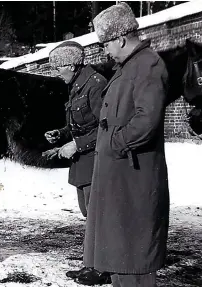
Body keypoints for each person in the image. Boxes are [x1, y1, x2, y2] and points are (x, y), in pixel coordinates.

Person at [80, 3, 170, 286]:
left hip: (133, 178)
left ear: (119, 38)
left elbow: (147, 119)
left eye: (105, 43)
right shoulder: (129, 66)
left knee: (133, 257)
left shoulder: (147, 65)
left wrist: (115, 144)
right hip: (120, 177)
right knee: (120, 255)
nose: (104, 50)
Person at [42, 41, 110, 285]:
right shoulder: (77, 85)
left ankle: (101, 268)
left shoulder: (96, 84)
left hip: (97, 160)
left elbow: (107, 127)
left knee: (98, 217)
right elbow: (82, 123)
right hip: (83, 162)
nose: (56, 73)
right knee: (88, 214)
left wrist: (77, 145)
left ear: (71, 65)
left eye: (58, 68)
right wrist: (61, 134)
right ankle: (90, 264)